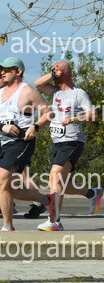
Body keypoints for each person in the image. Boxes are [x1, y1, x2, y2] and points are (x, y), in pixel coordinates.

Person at [31, 61, 101, 231]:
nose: (53, 72)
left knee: (55, 177)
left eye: (56, 69)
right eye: (52, 70)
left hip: (72, 141)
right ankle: (92, 193)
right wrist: (52, 74)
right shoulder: (54, 91)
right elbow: (38, 83)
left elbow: (93, 115)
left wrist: (74, 118)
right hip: (57, 142)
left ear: (65, 72)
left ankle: (54, 220)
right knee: (59, 182)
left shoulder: (79, 93)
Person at [0, 57, 57, 231]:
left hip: (21, 141)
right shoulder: (0, 91)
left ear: (18, 71)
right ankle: (47, 200)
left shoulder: (28, 92)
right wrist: (3, 127)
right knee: (8, 189)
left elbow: (49, 113)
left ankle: (8, 226)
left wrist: (35, 126)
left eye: (6, 69)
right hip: (2, 141)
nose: (2, 72)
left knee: (2, 179)